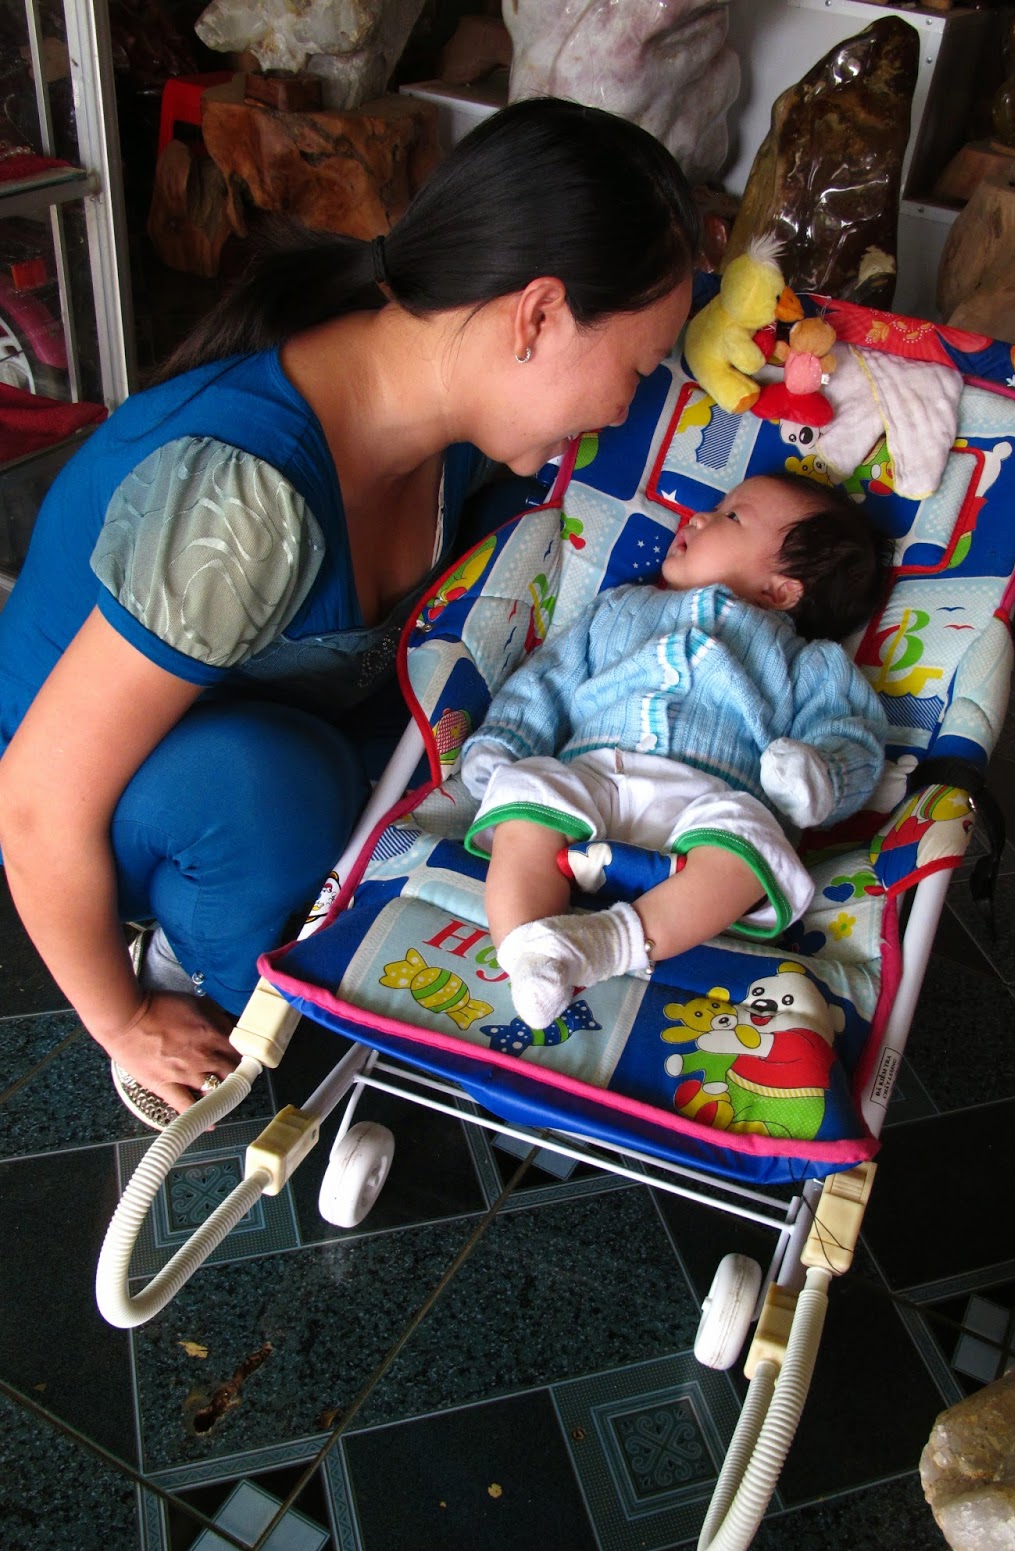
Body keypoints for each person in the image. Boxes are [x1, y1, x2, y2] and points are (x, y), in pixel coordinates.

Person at [0, 97, 701, 1127]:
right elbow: (37, 800)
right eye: (634, 369)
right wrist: (121, 1020)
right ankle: (187, 959)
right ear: (538, 315)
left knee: (464, 744)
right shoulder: (246, 500)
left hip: (255, 722)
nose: (624, 405)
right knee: (274, 787)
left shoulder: (446, 426)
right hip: (95, 809)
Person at [460, 473, 890, 1030]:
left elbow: (852, 735)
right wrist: (507, 740)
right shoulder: (618, 609)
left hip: (707, 806)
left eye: (732, 516)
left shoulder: (808, 661)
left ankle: (607, 943)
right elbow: (547, 680)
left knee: (758, 844)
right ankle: (527, 954)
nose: (699, 516)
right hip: (589, 779)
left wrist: (818, 774)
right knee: (525, 788)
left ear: (781, 591)